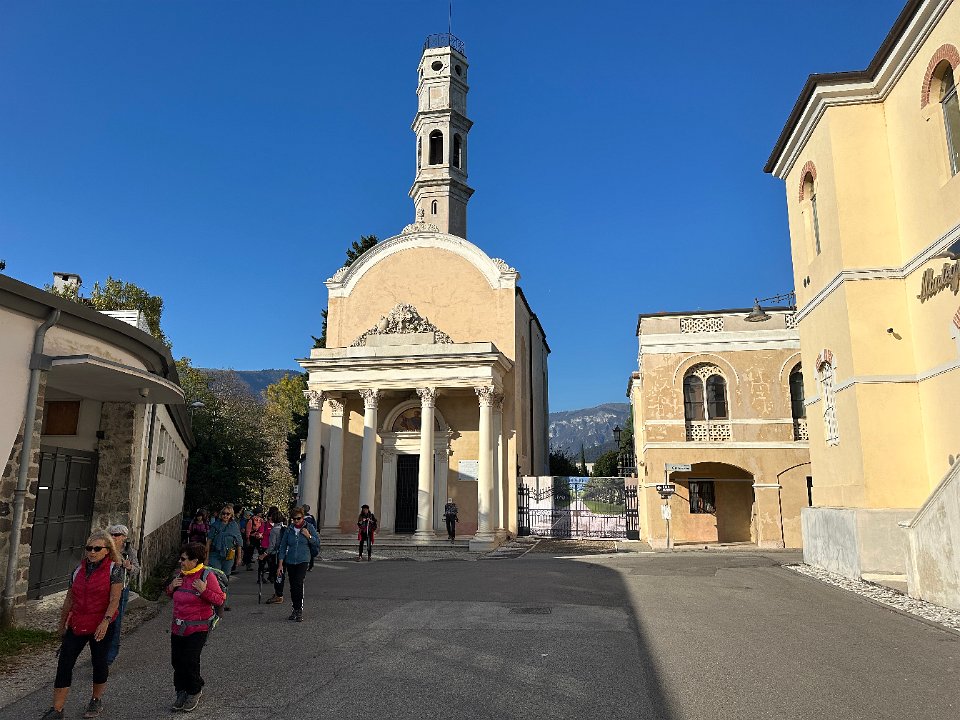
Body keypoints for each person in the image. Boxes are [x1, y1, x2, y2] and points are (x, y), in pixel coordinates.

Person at [41, 529, 123, 720]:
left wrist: (105, 621)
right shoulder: (78, 570)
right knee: (64, 663)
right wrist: (62, 624)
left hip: (101, 623)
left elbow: (114, 599)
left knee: (99, 662)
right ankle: (57, 709)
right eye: (89, 548)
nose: (92, 552)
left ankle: (96, 699)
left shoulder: (114, 570)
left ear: (107, 550)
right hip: (78, 623)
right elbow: (69, 599)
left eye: (97, 548)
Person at [166, 542, 226, 713]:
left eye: (184, 559)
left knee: (190, 660)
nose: (180, 562)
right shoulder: (180, 575)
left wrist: (204, 591)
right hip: (178, 627)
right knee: (177, 661)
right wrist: (171, 587)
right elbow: (170, 594)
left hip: (198, 628)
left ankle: (194, 691)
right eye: (181, 558)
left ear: (194, 561)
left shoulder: (207, 576)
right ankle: (181, 691)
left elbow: (220, 599)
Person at [104, 524, 139, 666]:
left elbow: (136, 569)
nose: (113, 537)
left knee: (115, 622)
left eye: (117, 535)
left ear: (124, 537)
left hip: (121, 590)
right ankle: (100, 651)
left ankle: (110, 655)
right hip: (105, 590)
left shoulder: (129, 551)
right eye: (111, 534)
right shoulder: (105, 549)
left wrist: (129, 566)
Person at [276, 507, 319, 621]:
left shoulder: (309, 527)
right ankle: (295, 608)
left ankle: (299, 609)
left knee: (298, 583)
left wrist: (308, 536)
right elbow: (283, 546)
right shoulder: (289, 529)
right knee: (292, 585)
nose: (296, 521)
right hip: (290, 560)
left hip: (303, 559)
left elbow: (317, 542)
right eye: (294, 519)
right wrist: (280, 565)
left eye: (298, 518)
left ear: (303, 517)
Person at [205, 505, 242, 609]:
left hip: (229, 555)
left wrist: (239, 557)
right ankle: (214, 601)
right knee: (215, 578)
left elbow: (239, 542)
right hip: (215, 554)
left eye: (228, 514)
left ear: (231, 515)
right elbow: (209, 542)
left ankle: (223, 602)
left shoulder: (234, 526)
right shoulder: (215, 526)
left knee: (225, 579)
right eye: (224, 513)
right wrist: (206, 558)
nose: (225, 515)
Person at [260, 508, 287, 605]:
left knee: (277, 575)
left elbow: (272, 546)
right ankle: (278, 593)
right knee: (281, 574)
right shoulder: (285, 528)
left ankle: (278, 595)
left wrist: (264, 554)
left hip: (276, 555)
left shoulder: (274, 530)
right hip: (284, 554)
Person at [302, 505, 317, 570]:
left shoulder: (302, 518)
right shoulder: (311, 517)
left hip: (304, 535)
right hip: (310, 535)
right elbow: (315, 526)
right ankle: (311, 565)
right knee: (310, 550)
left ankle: (305, 564)